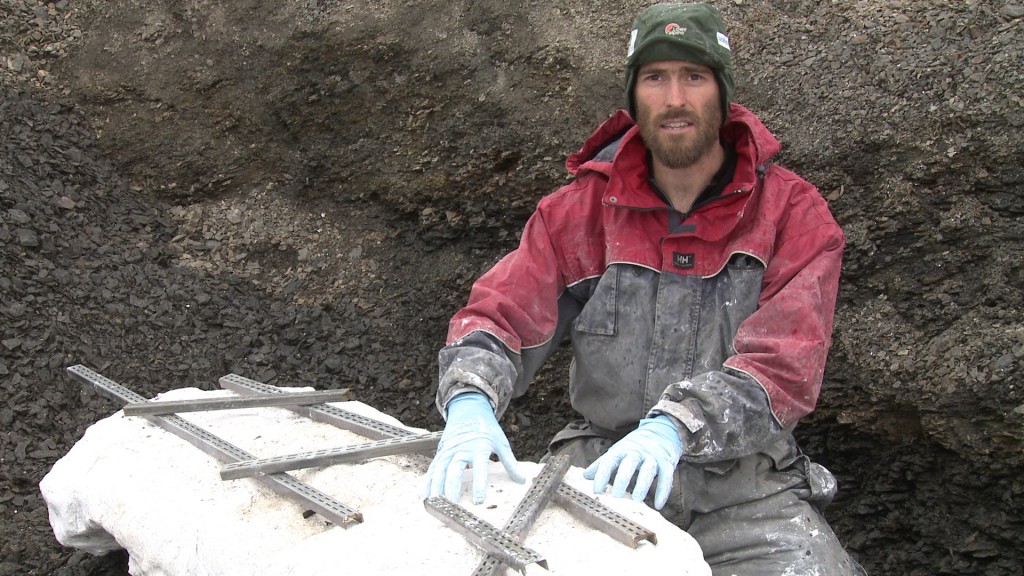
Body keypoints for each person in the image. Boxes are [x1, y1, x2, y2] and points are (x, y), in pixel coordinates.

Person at [425, 3, 866, 574]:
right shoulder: (578, 212)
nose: (675, 98)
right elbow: (501, 315)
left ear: (722, 94)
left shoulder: (793, 215)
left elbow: (784, 366)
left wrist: (674, 427)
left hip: (747, 494)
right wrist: (469, 400)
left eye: (694, 77)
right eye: (656, 77)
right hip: (599, 473)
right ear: (634, 96)